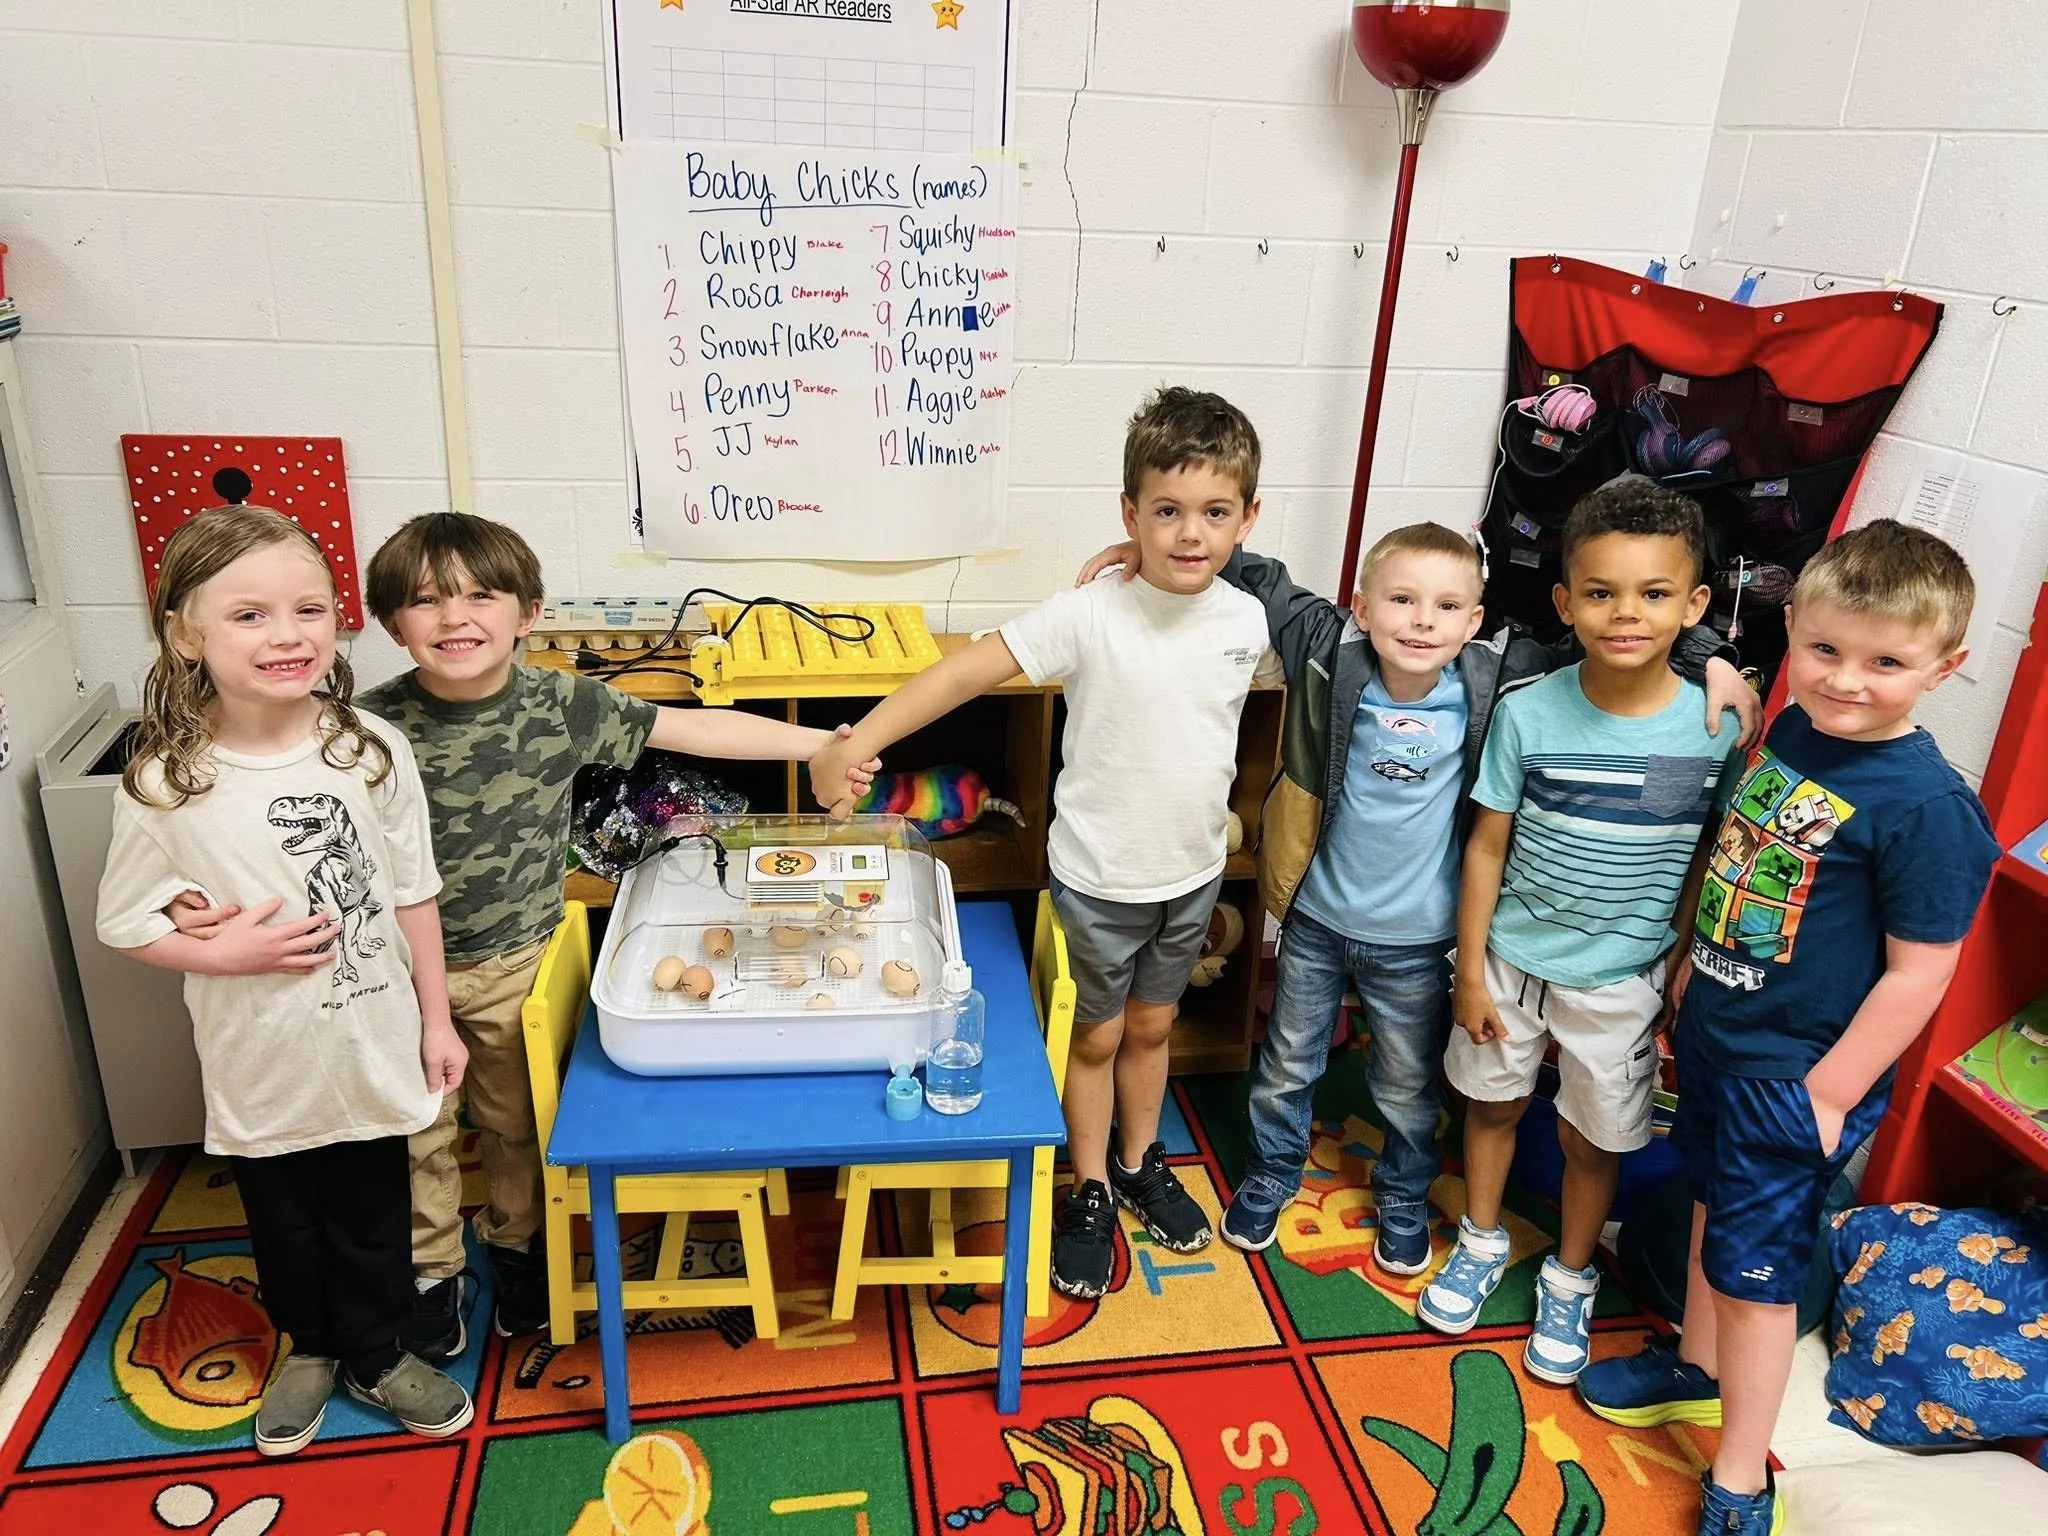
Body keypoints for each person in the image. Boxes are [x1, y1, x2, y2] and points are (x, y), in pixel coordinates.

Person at [167, 512, 877, 1352]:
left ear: (528, 613)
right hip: (395, 974)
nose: (454, 617)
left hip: (517, 964)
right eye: (425, 601)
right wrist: (185, 898)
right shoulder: (361, 730)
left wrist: (826, 743)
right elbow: (260, 811)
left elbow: (697, 726)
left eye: (480, 596)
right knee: (416, 1133)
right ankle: (431, 1271)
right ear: (391, 625)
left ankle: (516, 1247)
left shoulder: (563, 704)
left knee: (515, 1124)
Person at [1077, 520, 1755, 1273]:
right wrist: (1158, 549)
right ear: (1363, 608)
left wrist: (1712, 657)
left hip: (1421, 939)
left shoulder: (1500, 675)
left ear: (1474, 622)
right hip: (1315, 923)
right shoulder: (1330, 650)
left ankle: (1402, 1193)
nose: (1423, 621)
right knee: (1287, 1066)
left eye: (1446, 606)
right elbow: (1265, 579)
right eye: (1402, 600)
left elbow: (1615, 628)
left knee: (1404, 1083)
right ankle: (1274, 1170)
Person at [1576, 519, 1999, 1536]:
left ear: (1943, 669)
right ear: (1794, 631)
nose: (1846, 680)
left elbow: (1921, 972)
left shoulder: (1928, 807)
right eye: (1825, 649)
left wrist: (1830, 1092)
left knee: (1756, 1278)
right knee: (1706, 1211)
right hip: (1721, 1033)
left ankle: (1738, 1476)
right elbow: (1751, 863)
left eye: (1885, 663)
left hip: (1795, 1075)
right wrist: (1695, 963)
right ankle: (1693, 1366)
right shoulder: (1797, 730)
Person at [809, 386, 1279, 1298]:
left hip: (1191, 877)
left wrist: (1179, 548)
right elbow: (963, 675)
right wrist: (855, 743)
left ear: (1247, 518)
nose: (1190, 533)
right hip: (1100, 881)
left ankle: (1139, 1163)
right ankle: (1091, 1185)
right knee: (1097, 1040)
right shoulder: (1088, 613)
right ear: (1129, 514)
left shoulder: (1247, 618)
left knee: (1155, 1026)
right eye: (1167, 512)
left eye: (1215, 513)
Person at [97, 505, 474, 1456]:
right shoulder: (166, 782)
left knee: (374, 1206)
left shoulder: (370, 750)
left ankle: (377, 1350)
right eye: (249, 615)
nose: (288, 635)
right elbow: (126, 921)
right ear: (187, 634)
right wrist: (222, 955)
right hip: (259, 1053)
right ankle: (310, 1346)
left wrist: (436, 1019)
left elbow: (414, 892)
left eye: (309, 609)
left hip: (370, 1035)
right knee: (285, 1218)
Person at [1417, 479, 1745, 1388]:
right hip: (1511, 959)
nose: (1625, 613)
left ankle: (1571, 1277)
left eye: (1653, 593)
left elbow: (1707, 848)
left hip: (1623, 974)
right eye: (1601, 592)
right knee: (1492, 1104)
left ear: (1694, 606)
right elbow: (1486, 845)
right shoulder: (1527, 710)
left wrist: (1681, 954)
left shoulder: (1716, 726)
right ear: (1565, 603)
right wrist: (1470, 970)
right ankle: (1482, 1238)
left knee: (1594, 1139)